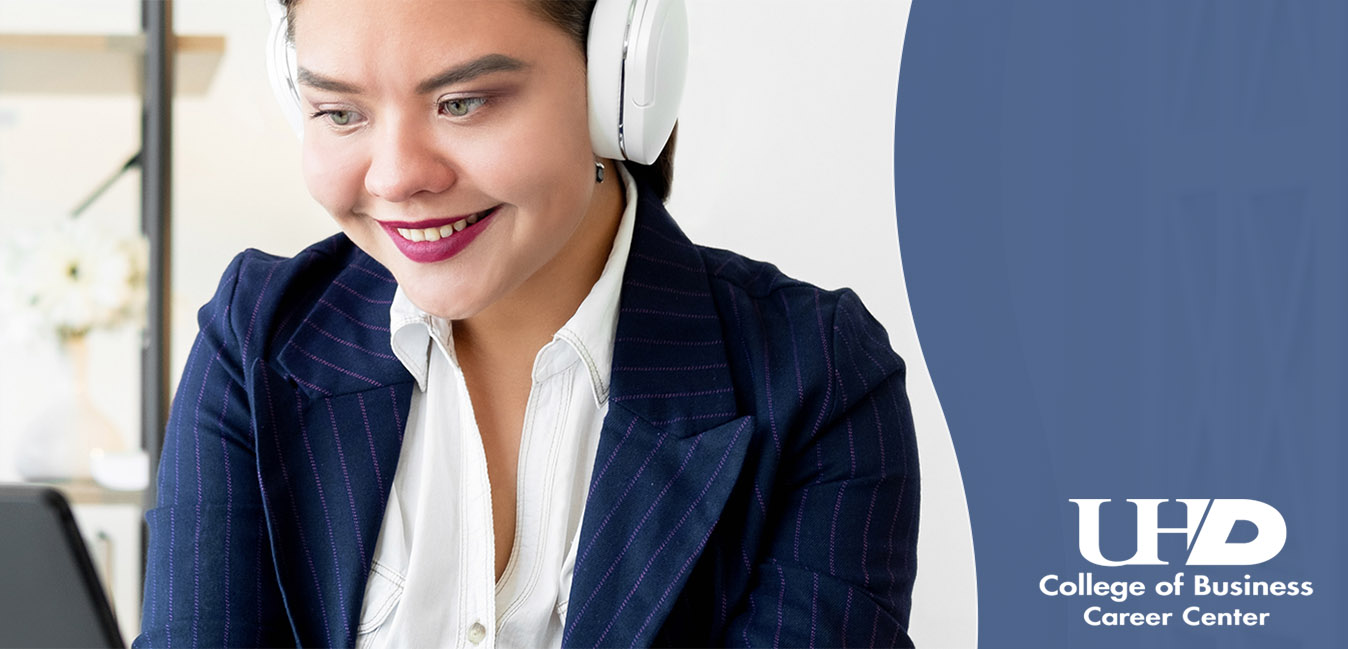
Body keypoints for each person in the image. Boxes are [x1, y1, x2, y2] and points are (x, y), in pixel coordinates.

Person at [137, 1, 920, 646]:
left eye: (462, 102)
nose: (397, 175)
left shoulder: (815, 375)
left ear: (620, 87)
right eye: (341, 112)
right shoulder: (260, 334)